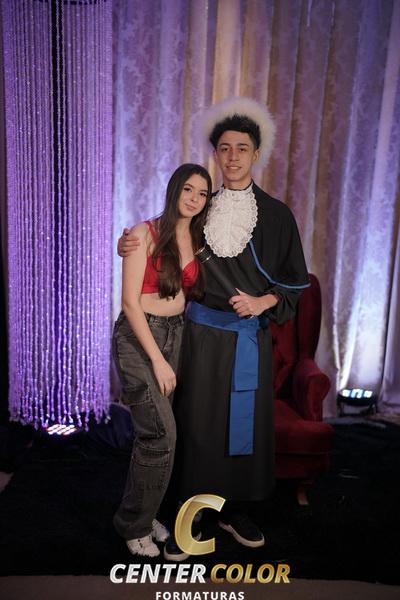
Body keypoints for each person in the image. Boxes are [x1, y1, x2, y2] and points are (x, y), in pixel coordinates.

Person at [118, 97, 309, 560]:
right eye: (224, 148)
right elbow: (164, 232)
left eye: (242, 148)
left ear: (256, 154)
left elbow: (294, 282)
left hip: (248, 339)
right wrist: (129, 240)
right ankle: (193, 510)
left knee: (241, 429)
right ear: (216, 154)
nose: (233, 157)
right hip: (197, 337)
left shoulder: (278, 215)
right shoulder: (203, 208)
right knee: (198, 425)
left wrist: (264, 301)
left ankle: (234, 510)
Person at [112, 163, 212, 557]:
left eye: (202, 193)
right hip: (140, 339)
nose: (194, 199)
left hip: (176, 335)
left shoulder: (199, 238)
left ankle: (146, 510)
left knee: (152, 435)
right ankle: (133, 525)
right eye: (188, 189)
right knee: (161, 435)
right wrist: (157, 359)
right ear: (174, 190)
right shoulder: (143, 234)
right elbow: (129, 303)